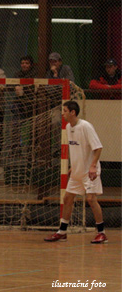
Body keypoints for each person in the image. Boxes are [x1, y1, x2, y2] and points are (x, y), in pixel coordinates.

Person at [44, 101, 107, 244]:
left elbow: (98, 148)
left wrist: (92, 166)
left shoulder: (85, 126)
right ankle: (62, 231)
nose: (63, 113)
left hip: (89, 172)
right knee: (67, 199)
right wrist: (74, 166)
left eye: (65, 111)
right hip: (77, 171)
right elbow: (77, 149)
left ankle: (101, 233)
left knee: (91, 200)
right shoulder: (68, 127)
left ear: (72, 112)